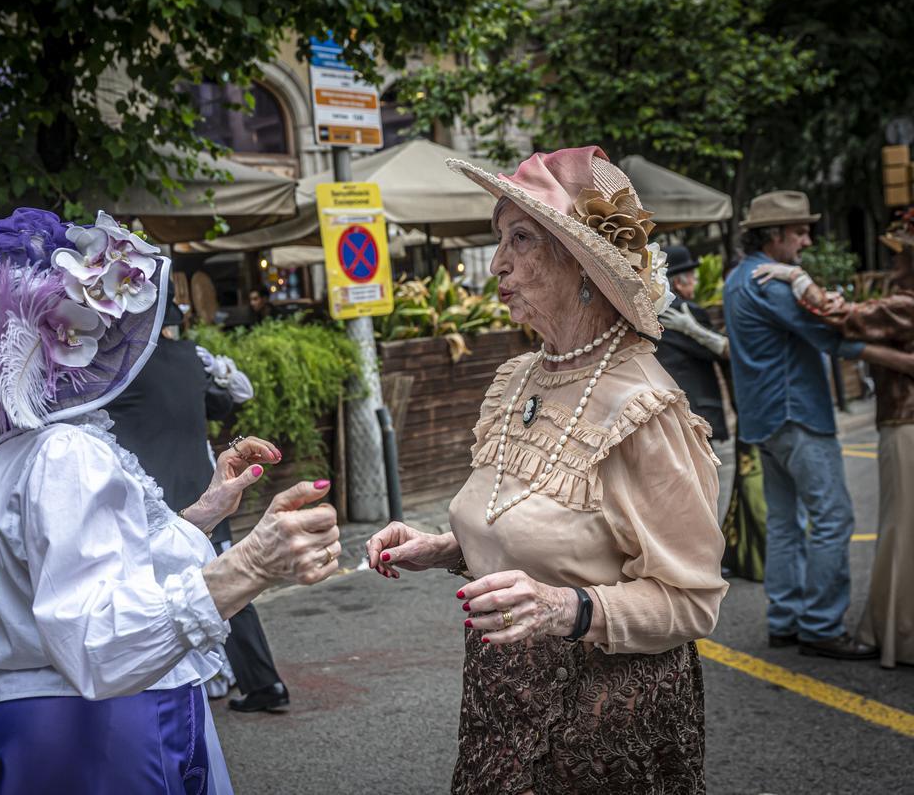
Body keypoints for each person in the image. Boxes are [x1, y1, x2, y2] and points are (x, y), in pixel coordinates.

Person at [0, 208, 341, 794]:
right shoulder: (65, 453)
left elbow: (103, 564)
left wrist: (205, 513)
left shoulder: (17, 449)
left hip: (35, 729)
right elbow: (96, 646)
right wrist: (251, 565)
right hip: (94, 734)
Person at [368, 147, 728, 794]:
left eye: (521, 238)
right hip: (500, 700)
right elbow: (542, 532)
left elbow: (692, 600)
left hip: (602, 719)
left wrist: (566, 607)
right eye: (498, 239)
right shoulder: (519, 379)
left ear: (582, 264)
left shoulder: (643, 408)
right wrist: (447, 549)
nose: (498, 263)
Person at [723, 190, 913, 661]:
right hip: (797, 413)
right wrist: (902, 359)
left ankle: (785, 621)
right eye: (800, 232)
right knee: (832, 519)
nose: (807, 239)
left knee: (788, 524)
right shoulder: (770, 284)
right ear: (776, 236)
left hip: (763, 420)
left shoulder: (736, 279)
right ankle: (821, 626)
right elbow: (834, 335)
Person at [106, 300, 291, 713]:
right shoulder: (192, 358)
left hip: (149, 491)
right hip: (202, 482)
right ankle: (261, 681)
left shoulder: (115, 365)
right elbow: (225, 404)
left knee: (154, 587)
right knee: (224, 578)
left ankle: (185, 685)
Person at [656, 245, 734, 518]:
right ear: (679, 281)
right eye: (693, 276)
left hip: (667, 416)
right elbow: (724, 353)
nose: (697, 282)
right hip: (698, 412)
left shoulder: (647, 314)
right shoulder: (689, 311)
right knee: (704, 494)